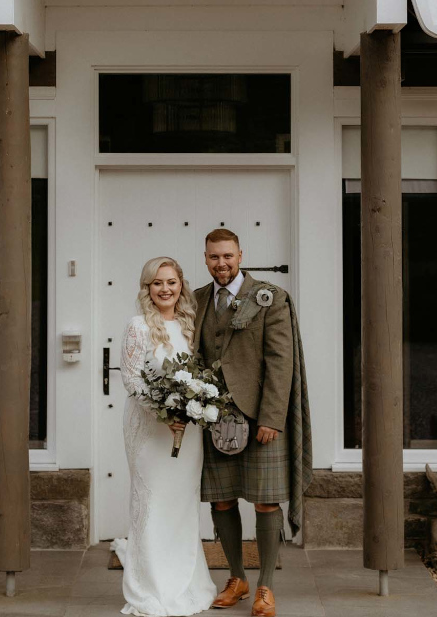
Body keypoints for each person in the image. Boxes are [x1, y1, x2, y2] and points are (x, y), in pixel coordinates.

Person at [194, 229, 312, 617]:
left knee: (265, 501)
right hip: (214, 418)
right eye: (214, 257)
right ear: (206, 258)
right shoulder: (196, 300)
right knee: (222, 499)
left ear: (241, 255)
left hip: (260, 417)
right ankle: (237, 577)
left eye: (227, 256)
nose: (221, 264)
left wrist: (273, 417)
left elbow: (281, 362)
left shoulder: (269, 298)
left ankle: (265, 586)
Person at [114, 256, 216, 617]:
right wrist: (166, 412)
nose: (165, 289)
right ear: (147, 288)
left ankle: (186, 582)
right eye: (157, 283)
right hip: (148, 430)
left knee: (181, 504)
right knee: (151, 501)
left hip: (187, 433)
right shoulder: (137, 326)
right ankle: (149, 587)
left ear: (180, 285)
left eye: (171, 282)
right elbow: (131, 380)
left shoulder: (190, 326)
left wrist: (189, 411)